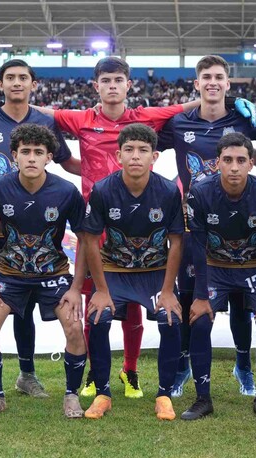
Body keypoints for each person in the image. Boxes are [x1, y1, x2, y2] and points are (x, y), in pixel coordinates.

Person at [42, 57, 256, 399]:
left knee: (134, 302)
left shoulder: (145, 118)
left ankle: (131, 372)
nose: (112, 86)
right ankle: (93, 375)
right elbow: (42, 115)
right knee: (94, 299)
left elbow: (189, 104)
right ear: (96, 86)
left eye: (119, 81)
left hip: (142, 225)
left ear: (129, 86)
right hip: (96, 225)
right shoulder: (80, 119)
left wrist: (229, 101)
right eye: (106, 81)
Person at [156, 55, 256, 399]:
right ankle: (183, 366)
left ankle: (243, 364)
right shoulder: (180, 124)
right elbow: (145, 136)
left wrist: (251, 163)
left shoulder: (243, 120)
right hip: (195, 224)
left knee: (241, 302)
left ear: (228, 84)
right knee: (190, 296)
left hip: (240, 224)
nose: (212, 82)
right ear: (196, 85)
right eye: (206, 77)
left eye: (219, 77)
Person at [0, 59, 78, 403]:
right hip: (0, 223)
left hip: (36, 228)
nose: (17, 83)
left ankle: (26, 374)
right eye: (10, 78)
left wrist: (108, 164)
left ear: (33, 84)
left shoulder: (45, 121)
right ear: (0, 83)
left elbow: (67, 162)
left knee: (27, 306)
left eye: (23, 78)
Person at [0, 124, 87, 419]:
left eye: (38, 152)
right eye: (25, 152)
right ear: (14, 156)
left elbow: (86, 239)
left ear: (49, 156)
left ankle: (71, 395)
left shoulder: (66, 191)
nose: (32, 158)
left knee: (74, 327)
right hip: (10, 274)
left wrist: (75, 288)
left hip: (55, 275)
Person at [82, 124, 184, 421]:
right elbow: (90, 240)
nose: (135, 157)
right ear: (118, 155)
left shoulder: (167, 191)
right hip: (114, 271)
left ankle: (164, 395)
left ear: (154, 156)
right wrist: (101, 290)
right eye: (129, 150)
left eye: (142, 151)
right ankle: (103, 393)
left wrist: (167, 291)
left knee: (170, 318)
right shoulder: (103, 190)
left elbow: (176, 242)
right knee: (97, 318)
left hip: (154, 273)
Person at [182, 132, 256, 421]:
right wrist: (200, 297)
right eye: (227, 160)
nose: (234, 167)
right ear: (218, 164)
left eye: (241, 160)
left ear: (252, 163)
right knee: (199, 322)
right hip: (216, 268)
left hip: (254, 267)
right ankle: (203, 399)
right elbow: (197, 246)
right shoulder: (200, 192)